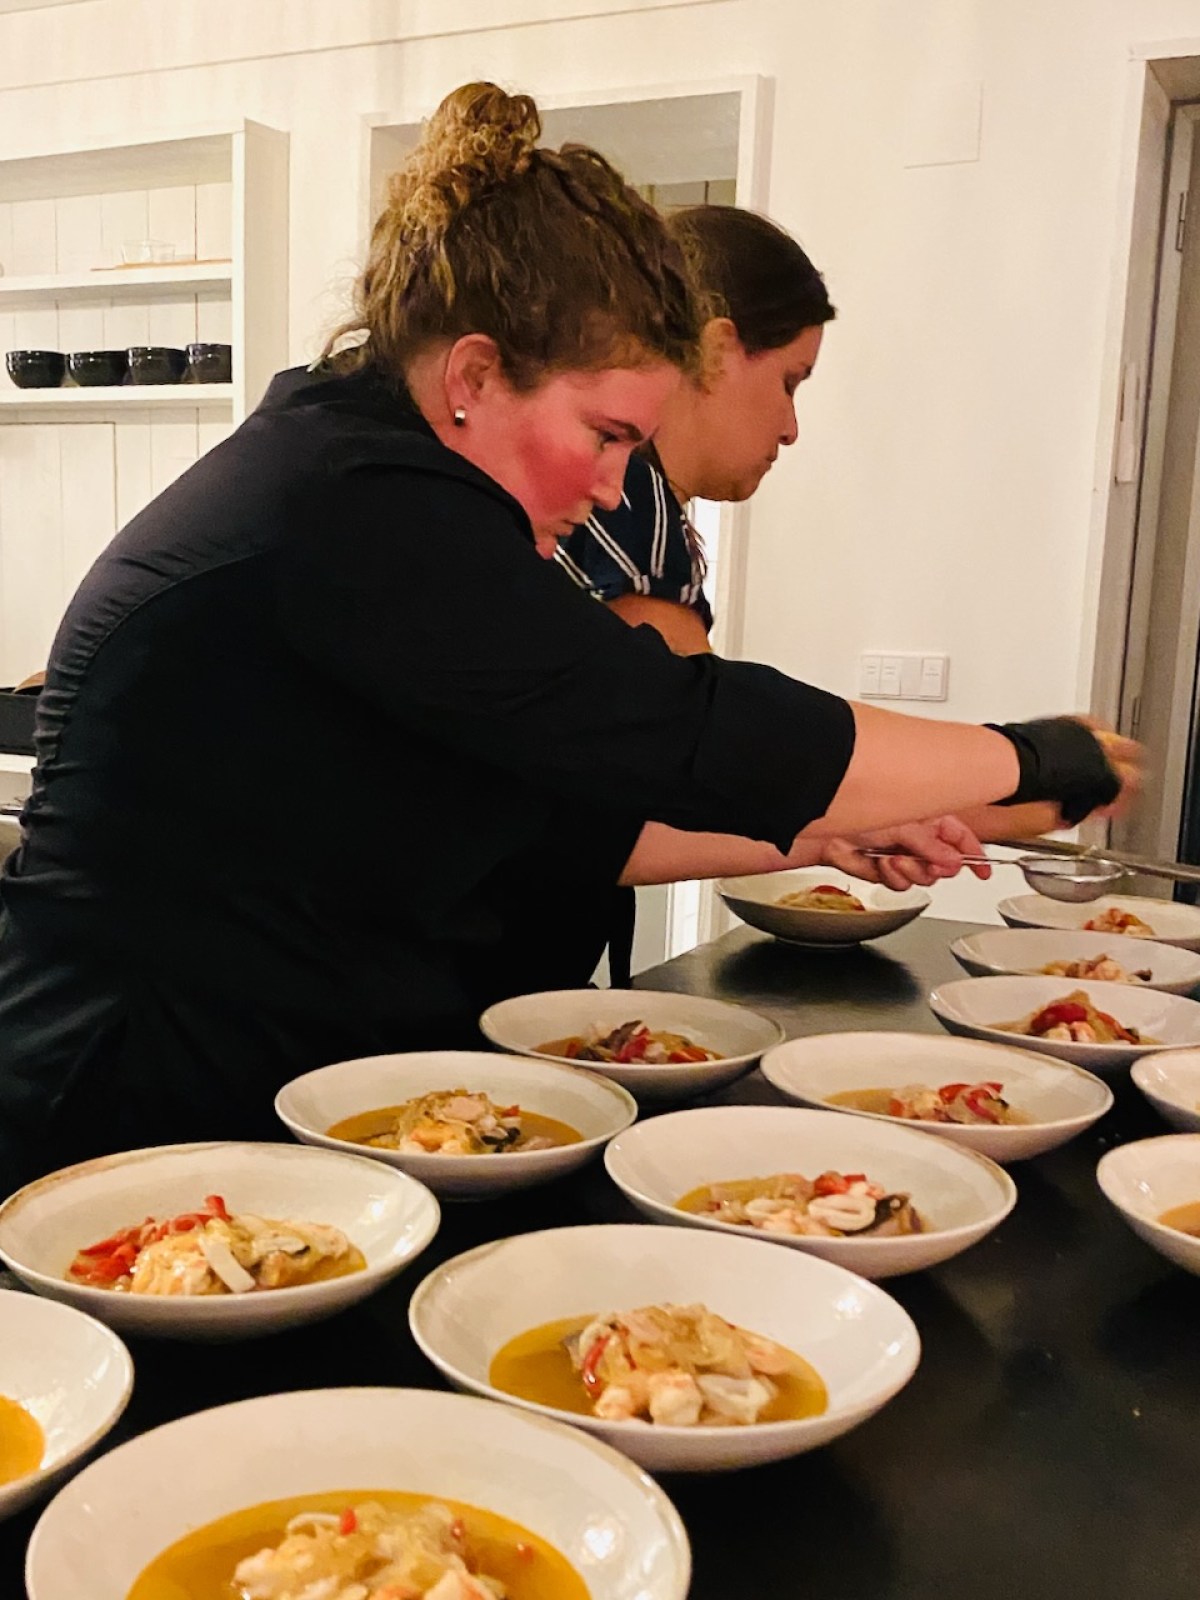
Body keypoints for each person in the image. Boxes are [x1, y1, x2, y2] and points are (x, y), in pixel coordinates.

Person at [0, 82, 1136, 1192]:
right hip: (128, 1088)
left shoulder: (362, 461)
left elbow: (547, 819)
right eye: (603, 436)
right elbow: (673, 722)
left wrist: (824, 831)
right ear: (476, 374)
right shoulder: (357, 499)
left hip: (254, 1072)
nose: (608, 486)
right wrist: (1032, 759)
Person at [556, 205, 1076, 979]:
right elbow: (691, 770)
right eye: (790, 382)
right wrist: (1021, 778)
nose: (792, 426)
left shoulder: (647, 509)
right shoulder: (634, 505)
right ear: (720, 350)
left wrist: (834, 832)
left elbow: (610, 803)